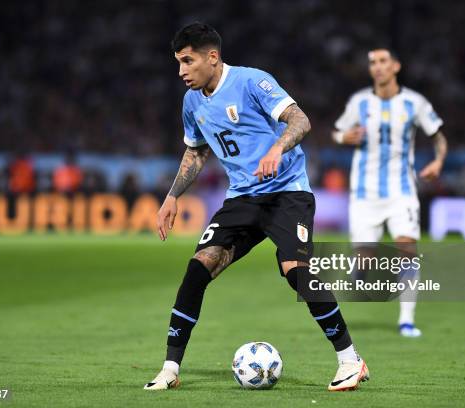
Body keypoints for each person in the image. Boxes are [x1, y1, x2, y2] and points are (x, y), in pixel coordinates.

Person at [145, 22, 368, 392]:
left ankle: (349, 359)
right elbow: (197, 150)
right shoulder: (191, 101)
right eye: (178, 63)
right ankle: (170, 369)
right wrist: (172, 196)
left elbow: (300, 119)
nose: (182, 71)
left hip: (287, 194)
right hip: (242, 199)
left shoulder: (252, 82)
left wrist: (277, 148)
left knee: (296, 271)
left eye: (188, 61)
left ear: (212, 57)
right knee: (198, 269)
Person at [332, 48, 448, 337]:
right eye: (373, 63)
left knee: (407, 249)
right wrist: (343, 137)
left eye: (383, 62)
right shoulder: (359, 102)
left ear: (396, 66)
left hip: (402, 191)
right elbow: (336, 131)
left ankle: (406, 321)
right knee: (365, 259)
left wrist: (438, 161)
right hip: (364, 193)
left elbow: (438, 136)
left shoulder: (414, 103)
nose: (378, 67)